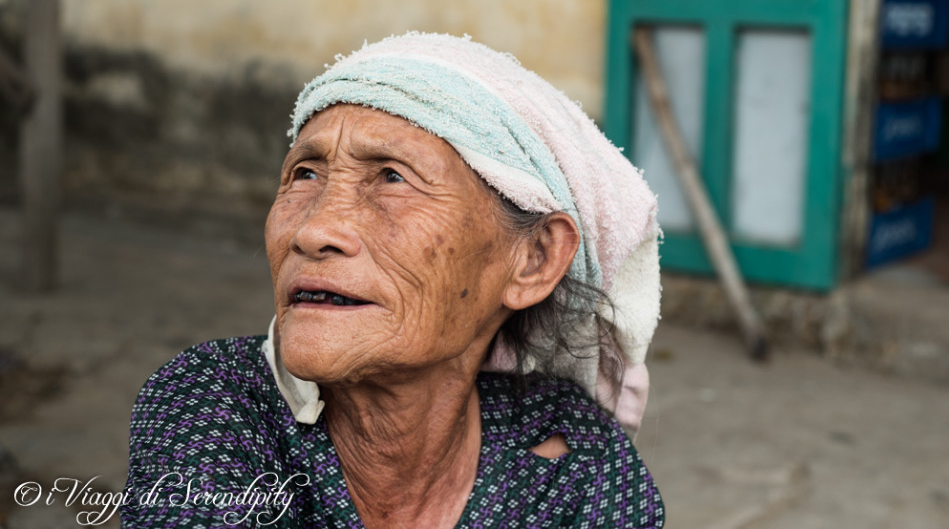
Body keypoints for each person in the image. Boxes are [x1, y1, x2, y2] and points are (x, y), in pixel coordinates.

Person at [121, 33, 664, 528]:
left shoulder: (575, 453)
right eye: (304, 173)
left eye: (392, 178)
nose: (314, 230)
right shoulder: (214, 401)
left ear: (535, 260)